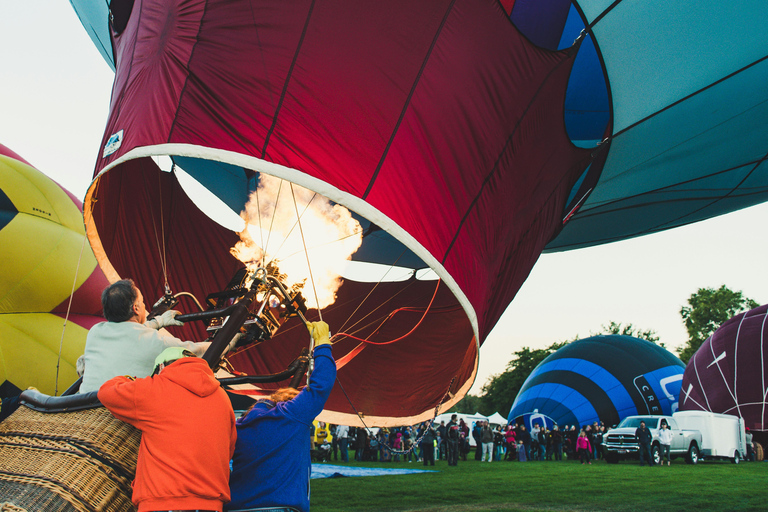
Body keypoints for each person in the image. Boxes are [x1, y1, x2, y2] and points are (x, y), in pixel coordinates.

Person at [99, 347, 236, 512]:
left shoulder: (156, 388)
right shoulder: (223, 398)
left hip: (162, 503)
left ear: (162, 367)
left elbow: (107, 392)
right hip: (211, 506)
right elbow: (229, 449)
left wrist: (129, 379)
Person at [227, 321, 335, 512]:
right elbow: (321, 384)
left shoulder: (238, 427)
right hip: (279, 506)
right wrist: (322, 342)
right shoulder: (291, 415)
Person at [80, 279, 211, 393]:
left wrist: (158, 322)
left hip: (86, 411)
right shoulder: (155, 342)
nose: (144, 305)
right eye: (142, 302)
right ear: (136, 308)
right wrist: (228, 342)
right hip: (121, 416)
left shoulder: (94, 332)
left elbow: (129, 335)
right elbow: (194, 351)